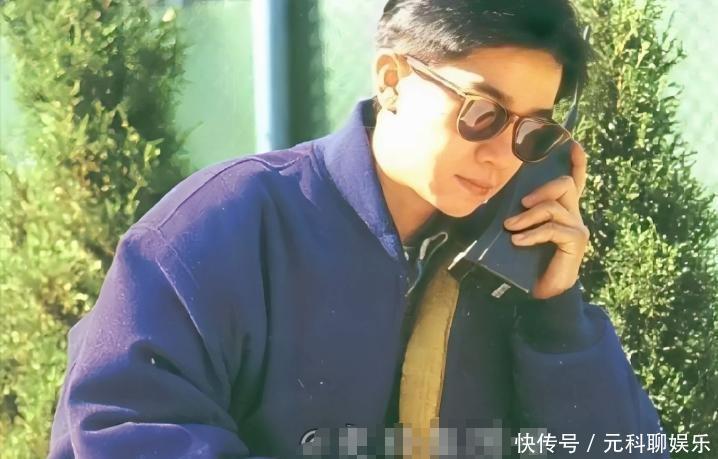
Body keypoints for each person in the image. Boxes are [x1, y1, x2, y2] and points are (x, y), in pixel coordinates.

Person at [48, 0, 668, 457]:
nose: (503, 155)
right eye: (482, 112)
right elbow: (125, 428)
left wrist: (556, 313)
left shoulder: (512, 257)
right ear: (391, 80)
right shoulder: (219, 226)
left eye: (532, 131)